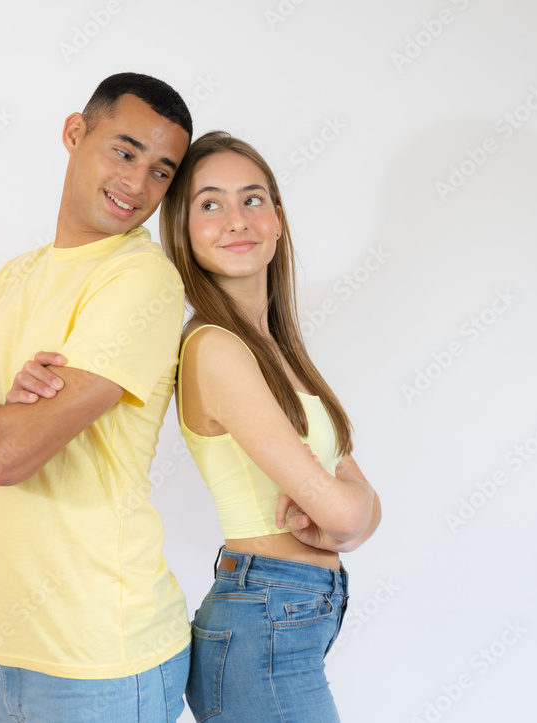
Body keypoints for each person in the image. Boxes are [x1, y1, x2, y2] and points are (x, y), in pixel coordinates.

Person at [0, 72, 195, 723]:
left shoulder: (140, 279)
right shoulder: (15, 277)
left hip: (104, 663)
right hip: (1, 651)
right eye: (124, 152)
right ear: (74, 133)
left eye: (161, 172)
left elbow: (3, 457)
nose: (137, 184)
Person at [159, 131, 382, 722]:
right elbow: (348, 515)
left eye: (252, 199)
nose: (237, 219)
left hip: (285, 619)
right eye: (210, 203)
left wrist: (351, 508)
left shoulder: (278, 350)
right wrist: (348, 512)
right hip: (264, 622)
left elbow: (361, 504)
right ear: (182, 229)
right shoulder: (215, 348)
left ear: (278, 220)